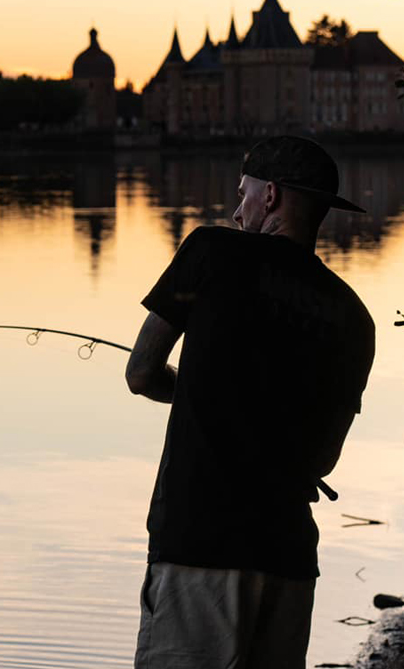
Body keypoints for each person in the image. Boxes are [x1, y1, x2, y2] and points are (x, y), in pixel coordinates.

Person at [124, 136, 376, 669]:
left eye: (244, 194)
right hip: (287, 557)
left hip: (199, 544)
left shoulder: (211, 251)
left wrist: (197, 391)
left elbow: (141, 371)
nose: (237, 211)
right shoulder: (354, 317)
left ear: (271, 197)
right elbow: (324, 459)